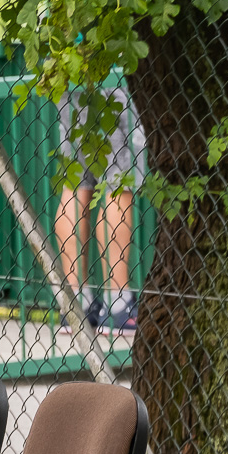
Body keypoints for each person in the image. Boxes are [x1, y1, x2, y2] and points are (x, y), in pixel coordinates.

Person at [56, 84, 144, 333]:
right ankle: (119, 305)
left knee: (75, 185)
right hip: (114, 75)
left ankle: (75, 304)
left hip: (70, 76)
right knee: (119, 184)